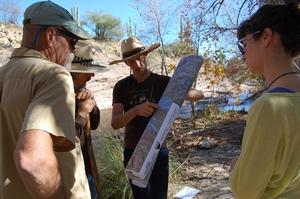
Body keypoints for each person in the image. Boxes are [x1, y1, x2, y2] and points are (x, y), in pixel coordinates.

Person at [0, 1, 93, 198]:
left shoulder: (3, 74)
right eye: (72, 41)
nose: (73, 50)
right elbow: (32, 161)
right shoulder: (54, 75)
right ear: (51, 35)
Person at [110, 37, 204, 199]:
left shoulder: (162, 82)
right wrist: (135, 111)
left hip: (158, 149)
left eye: (139, 58)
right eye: (132, 61)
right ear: (127, 64)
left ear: (145, 55)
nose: (137, 64)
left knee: (159, 196)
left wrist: (181, 91)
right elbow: (115, 123)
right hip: (133, 151)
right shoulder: (121, 86)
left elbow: (199, 95)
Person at [230, 2, 300, 198]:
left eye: (244, 44)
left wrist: (237, 167)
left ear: (267, 36)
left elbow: (246, 191)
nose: (243, 55)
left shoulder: (268, 107)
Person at [70, 41, 108, 199]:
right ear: (72, 72)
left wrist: (92, 105)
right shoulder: (58, 96)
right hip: (71, 172)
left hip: (86, 167)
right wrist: (82, 112)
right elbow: (66, 142)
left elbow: (95, 124)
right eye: (86, 71)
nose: (91, 75)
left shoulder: (82, 91)